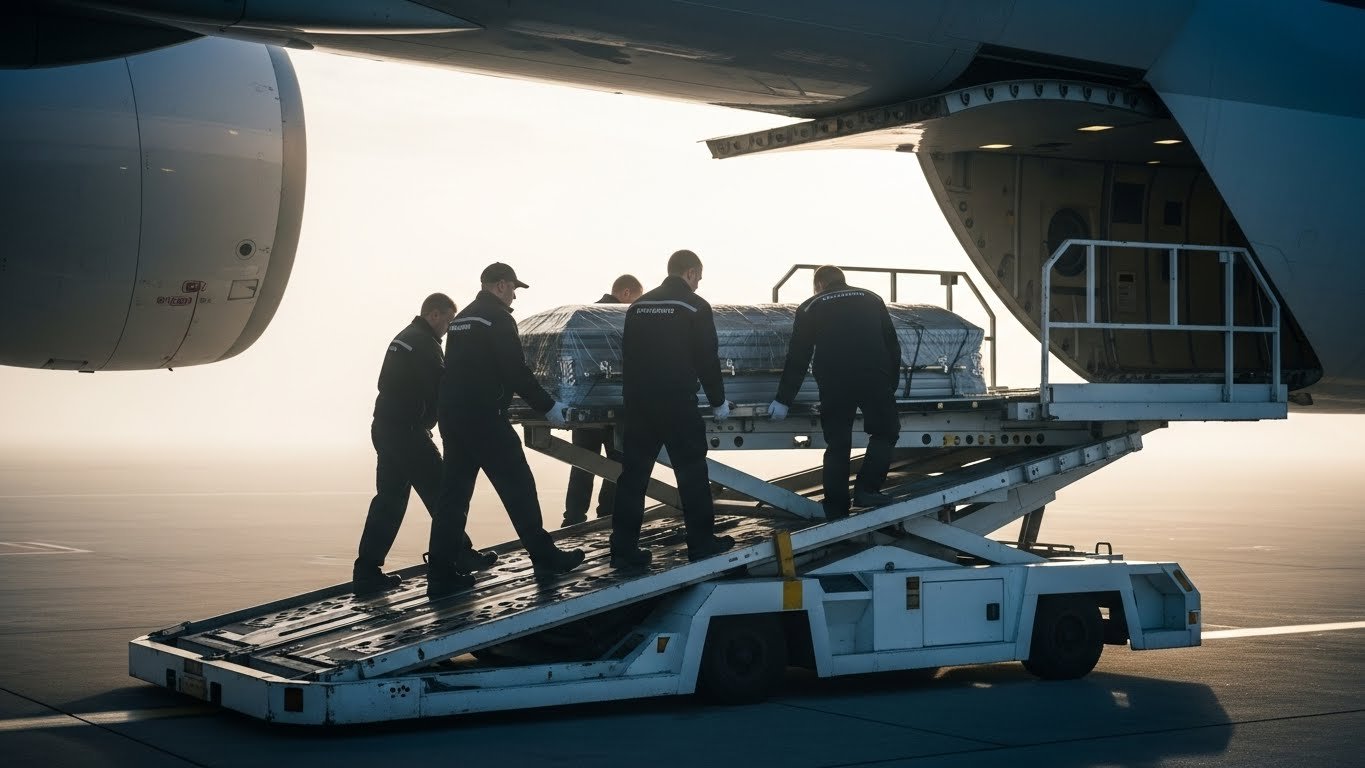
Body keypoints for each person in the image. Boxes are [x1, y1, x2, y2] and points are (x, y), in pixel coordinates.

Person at [426, 262, 585, 597]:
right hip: (483, 416)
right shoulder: (498, 318)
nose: (515, 295)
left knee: (453, 498)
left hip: (453, 416)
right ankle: (544, 557)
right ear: (499, 285)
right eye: (513, 288)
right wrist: (549, 406)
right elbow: (515, 370)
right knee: (519, 485)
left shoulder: (463, 319)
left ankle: (440, 573)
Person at [352, 293, 496, 594]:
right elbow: (441, 387)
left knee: (388, 501)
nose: (449, 328)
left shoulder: (405, 338)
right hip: (407, 432)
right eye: (448, 320)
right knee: (445, 494)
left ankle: (366, 570)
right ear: (434, 315)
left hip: (386, 427)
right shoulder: (424, 344)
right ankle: (458, 556)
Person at [609, 250, 735, 571]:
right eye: (700, 276)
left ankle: (623, 549)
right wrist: (718, 400)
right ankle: (702, 544)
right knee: (692, 473)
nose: (700, 283)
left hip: (639, 404)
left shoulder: (638, 306)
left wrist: (629, 402)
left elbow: (629, 358)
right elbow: (707, 359)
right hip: (677, 403)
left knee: (633, 479)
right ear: (690, 273)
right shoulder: (694, 306)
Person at [768, 265, 902, 519]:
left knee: (838, 443)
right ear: (843, 280)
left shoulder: (810, 306)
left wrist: (783, 399)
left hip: (834, 381)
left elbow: (798, 356)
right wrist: (890, 384)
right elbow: (892, 345)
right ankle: (867, 490)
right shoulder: (872, 298)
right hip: (873, 376)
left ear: (818, 285)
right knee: (885, 431)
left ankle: (837, 507)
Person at [561, 274, 643, 527]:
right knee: (617, 463)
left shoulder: (584, 315)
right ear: (626, 293)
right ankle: (607, 514)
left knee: (582, 464)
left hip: (583, 405)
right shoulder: (618, 317)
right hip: (611, 403)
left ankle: (573, 518)